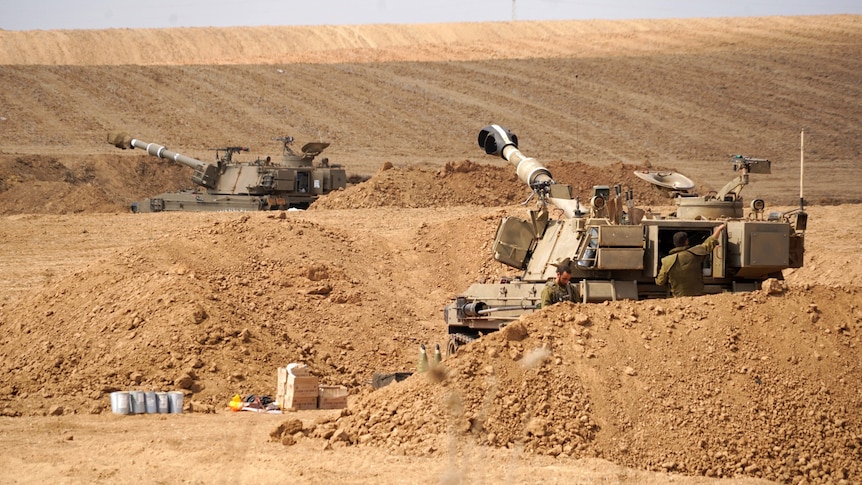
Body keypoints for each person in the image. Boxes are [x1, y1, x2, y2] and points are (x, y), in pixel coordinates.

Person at [656, 223, 726, 297]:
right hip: (696, 295)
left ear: (674, 243)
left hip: (676, 297)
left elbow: (660, 282)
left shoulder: (666, 261)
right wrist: (719, 229)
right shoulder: (696, 254)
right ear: (686, 241)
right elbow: (709, 242)